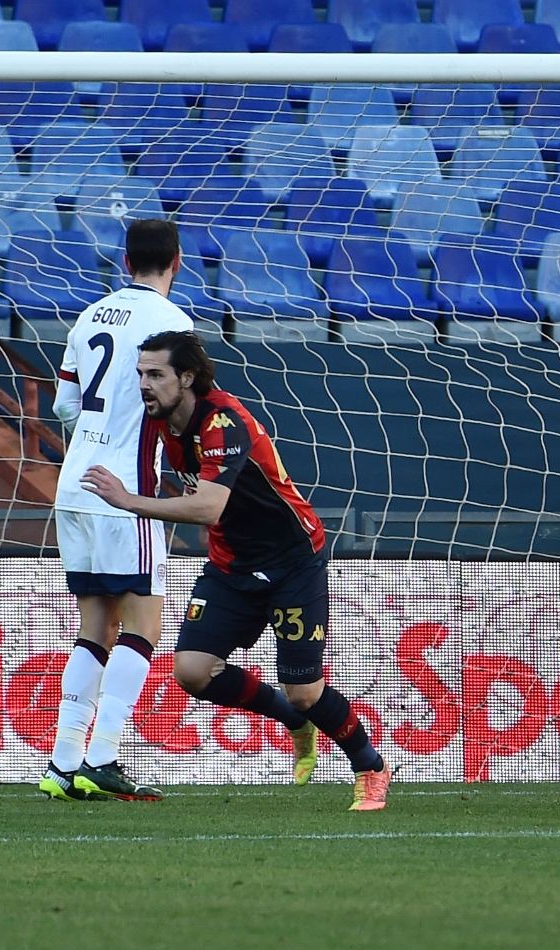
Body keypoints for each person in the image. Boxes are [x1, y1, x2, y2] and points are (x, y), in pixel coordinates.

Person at [37, 220, 304, 800]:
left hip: (76, 486)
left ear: (124, 260)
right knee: (144, 627)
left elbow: (62, 406)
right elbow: (186, 403)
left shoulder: (89, 315)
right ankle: (102, 756)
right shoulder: (172, 324)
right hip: (126, 490)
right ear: (178, 262)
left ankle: (61, 765)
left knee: (94, 628)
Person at [81, 331, 391, 811]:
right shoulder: (158, 418)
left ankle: (369, 765)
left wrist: (126, 501)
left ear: (187, 378)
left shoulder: (223, 421)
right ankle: (290, 717)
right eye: (141, 374)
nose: (144, 384)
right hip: (231, 564)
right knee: (192, 671)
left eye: (156, 374)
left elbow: (207, 507)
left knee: (307, 690)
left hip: (292, 561)